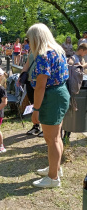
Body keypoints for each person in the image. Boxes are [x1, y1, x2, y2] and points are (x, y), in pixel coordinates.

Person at [27, 23, 70, 188]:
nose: (29, 43)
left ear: (36, 39)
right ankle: (55, 169)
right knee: (55, 137)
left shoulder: (44, 55)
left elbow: (40, 86)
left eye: (30, 39)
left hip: (52, 97)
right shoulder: (58, 51)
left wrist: (36, 110)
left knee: (51, 139)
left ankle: (53, 178)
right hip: (59, 94)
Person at [62, 42, 87, 144]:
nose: (85, 54)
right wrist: (84, 65)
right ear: (81, 50)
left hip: (83, 87)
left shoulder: (81, 58)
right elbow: (73, 70)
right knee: (71, 113)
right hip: (74, 90)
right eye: (85, 52)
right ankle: (66, 136)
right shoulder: (72, 59)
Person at [17, 51, 44, 137]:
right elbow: (27, 64)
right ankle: (36, 126)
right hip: (29, 81)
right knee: (33, 104)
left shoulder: (46, 51)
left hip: (39, 83)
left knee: (42, 105)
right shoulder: (33, 50)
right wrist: (20, 76)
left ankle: (45, 128)